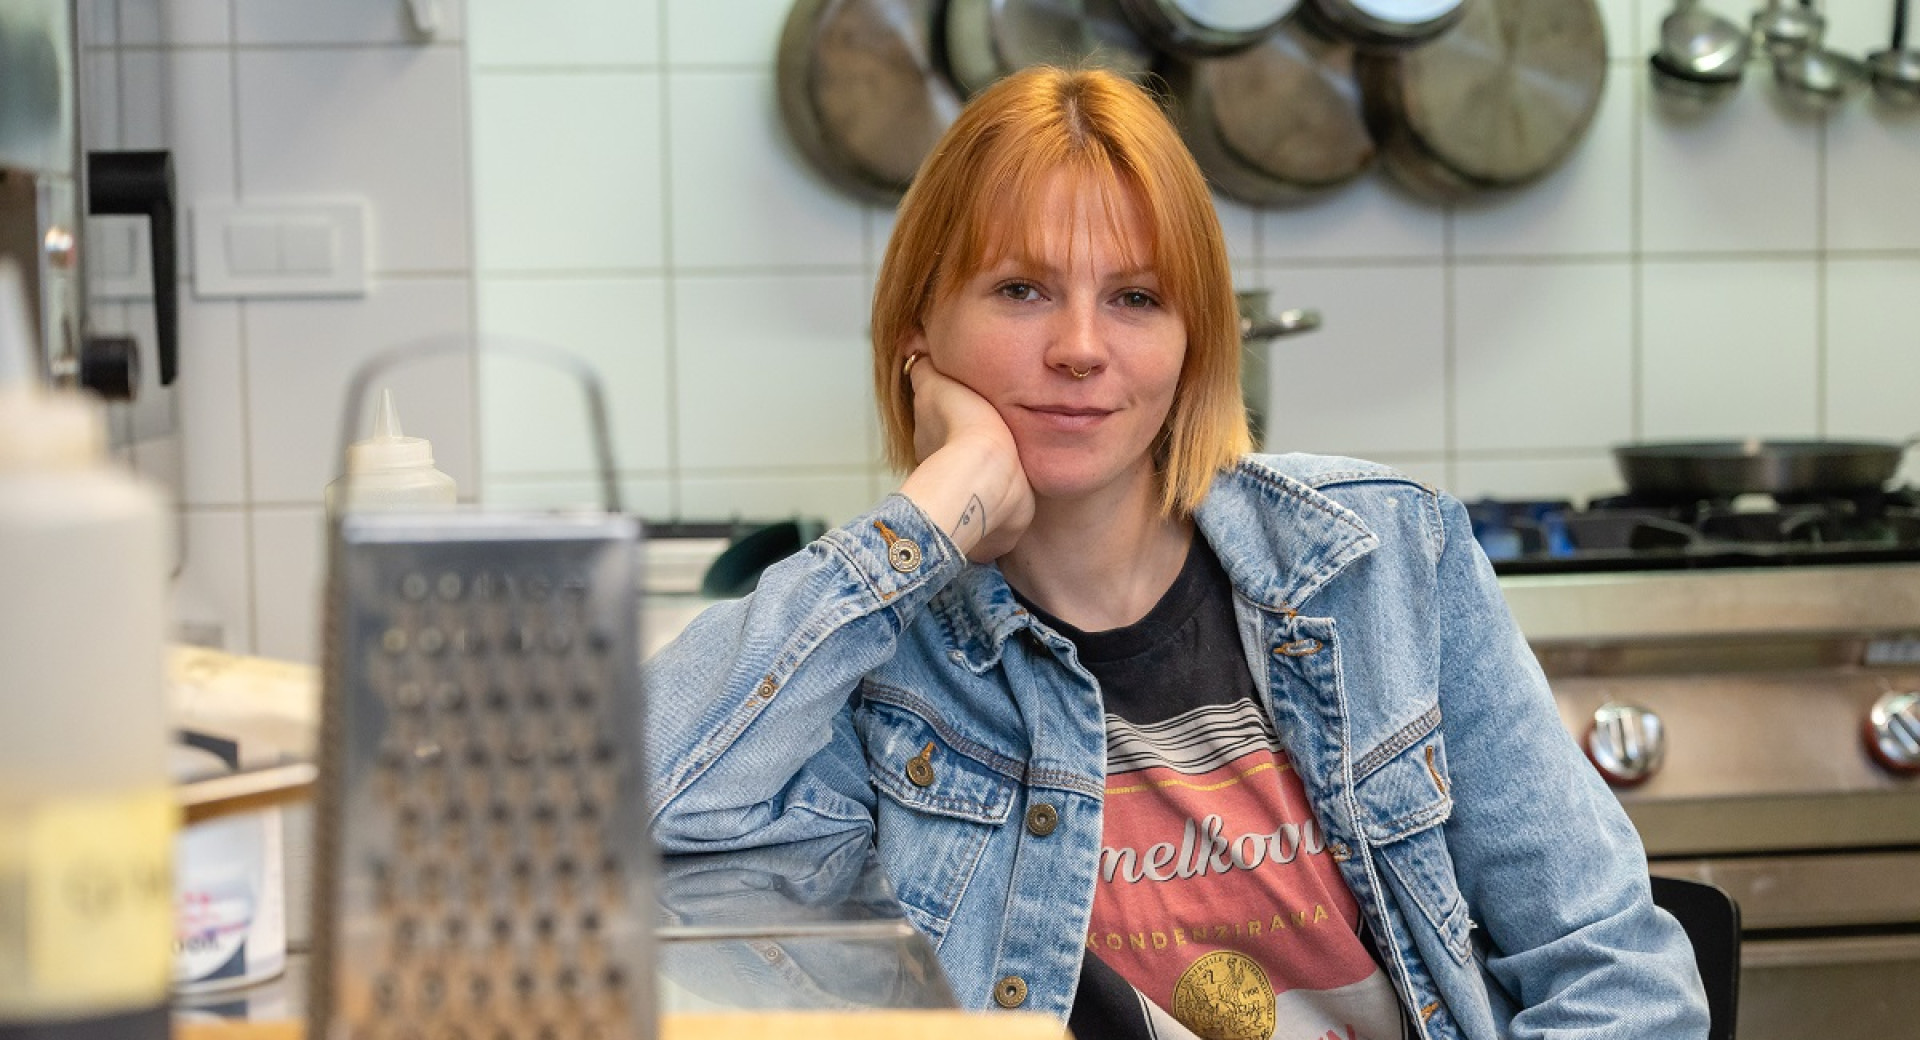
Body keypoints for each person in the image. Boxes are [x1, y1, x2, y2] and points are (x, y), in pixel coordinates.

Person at [645, 64, 1707, 1039]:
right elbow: (616, 827)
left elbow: (1620, 977)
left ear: (1194, 340)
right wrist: (921, 526)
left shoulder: (1382, 559)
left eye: (1136, 297)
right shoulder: (880, 665)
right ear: (920, 325)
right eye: (1020, 288)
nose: (1080, 348)